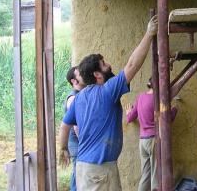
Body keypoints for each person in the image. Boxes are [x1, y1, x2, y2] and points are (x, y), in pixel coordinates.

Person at [59, 16, 158, 191]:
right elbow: (132, 65)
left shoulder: (80, 98)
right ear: (97, 74)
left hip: (85, 169)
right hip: (99, 171)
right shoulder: (107, 91)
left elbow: (64, 125)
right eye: (104, 64)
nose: (109, 65)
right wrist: (149, 34)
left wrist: (63, 148)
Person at [125, 78, 177, 191]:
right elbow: (167, 120)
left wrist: (128, 113)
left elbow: (130, 118)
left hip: (142, 141)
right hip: (154, 140)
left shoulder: (140, 97)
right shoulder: (159, 101)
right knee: (156, 175)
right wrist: (174, 109)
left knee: (145, 174)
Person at [65, 67, 105, 191]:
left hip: (81, 142)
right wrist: (85, 142)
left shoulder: (82, 94)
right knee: (77, 175)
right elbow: (76, 126)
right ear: (73, 81)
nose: (83, 74)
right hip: (77, 142)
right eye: (79, 73)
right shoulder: (73, 98)